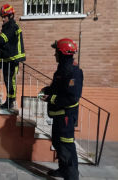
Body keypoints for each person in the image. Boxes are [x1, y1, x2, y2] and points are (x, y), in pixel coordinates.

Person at [41, 38, 83, 180]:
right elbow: (58, 87)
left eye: (56, 52)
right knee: (58, 144)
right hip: (59, 115)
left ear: (63, 53)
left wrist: (51, 98)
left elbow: (72, 97)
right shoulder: (63, 68)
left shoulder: (73, 70)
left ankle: (71, 177)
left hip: (66, 116)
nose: (55, 55)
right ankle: (63, 170)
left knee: (66, 147)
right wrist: (47, 89)